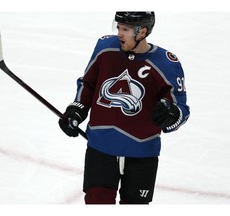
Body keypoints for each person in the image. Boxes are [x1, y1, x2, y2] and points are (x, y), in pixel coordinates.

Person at [59, 11, 190, 204]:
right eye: (118, 27)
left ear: (142, 31)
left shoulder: (166, 63)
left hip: (142, 151)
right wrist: (77, 109)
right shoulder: (105, 48)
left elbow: (181, 108)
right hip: (101, 146)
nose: (119, 33)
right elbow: (88, 83)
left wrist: (172, 114)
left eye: (126, 29)